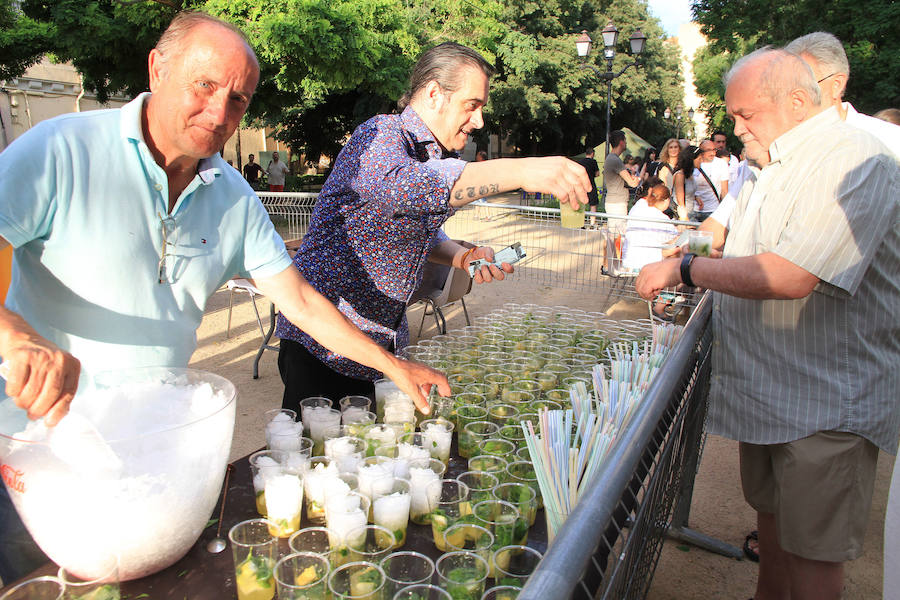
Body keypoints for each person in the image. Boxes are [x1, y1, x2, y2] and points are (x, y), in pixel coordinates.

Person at [0, 11, 449, 583]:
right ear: (157, 68)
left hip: (155, 450)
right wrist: (17, 338)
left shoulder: (233, 196)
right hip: (40, 447)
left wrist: (393, 366)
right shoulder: (59, 149)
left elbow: (301, 302)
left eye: (238, 99)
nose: (219, 113)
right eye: (204, 85)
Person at [636, 47, 899, 600]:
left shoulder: (855, 159)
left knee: (812, 558)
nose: (735, 129)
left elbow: (791, 274)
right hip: (776, 395)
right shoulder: (768, 164)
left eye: (744, 115)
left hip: (825, 405)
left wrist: (685, 268)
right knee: (775, 532)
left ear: (798, 101)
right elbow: (738, 244)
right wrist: (692, 249)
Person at [275, 42, 590, 410]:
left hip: (380, 345)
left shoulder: (431, 155)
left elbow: (414, 228)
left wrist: (464, 257)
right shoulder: (381, 133)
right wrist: (520, 170)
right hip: (324, 344)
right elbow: (404, 189)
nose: (479, 121)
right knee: (313, 445)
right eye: (472, 105)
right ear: (434, 94)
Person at [786, 32, 900, 157]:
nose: (794, 97)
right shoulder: (784, 146)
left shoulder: (889, 141)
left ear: (837, 84)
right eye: (786, 88)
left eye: (805, 86)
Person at [690, 139, 728, 222]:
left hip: (713, 210)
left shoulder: (721, 164)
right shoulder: (693, 163)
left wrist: (725, 210)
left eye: (714, 150)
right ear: (701, 151)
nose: (712, 153)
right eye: (708, 150)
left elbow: (724, 190)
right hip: (693, 209)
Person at [671, 145, 700, 221]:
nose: (701, 161)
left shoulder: (690, 175)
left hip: (691, 212)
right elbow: (680, 200)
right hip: (682, 215)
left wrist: (696, 198)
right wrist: (684, 217)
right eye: (699, 158)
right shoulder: (680, 176)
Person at [575, 146, 600, 225]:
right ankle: (592, 223)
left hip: (581, 185)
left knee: (581, 204)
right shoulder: (593, 162)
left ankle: (580, 222)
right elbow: (597, 174)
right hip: (591, 184)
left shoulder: (580, 162)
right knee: (593, 204)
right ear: (592, 154)